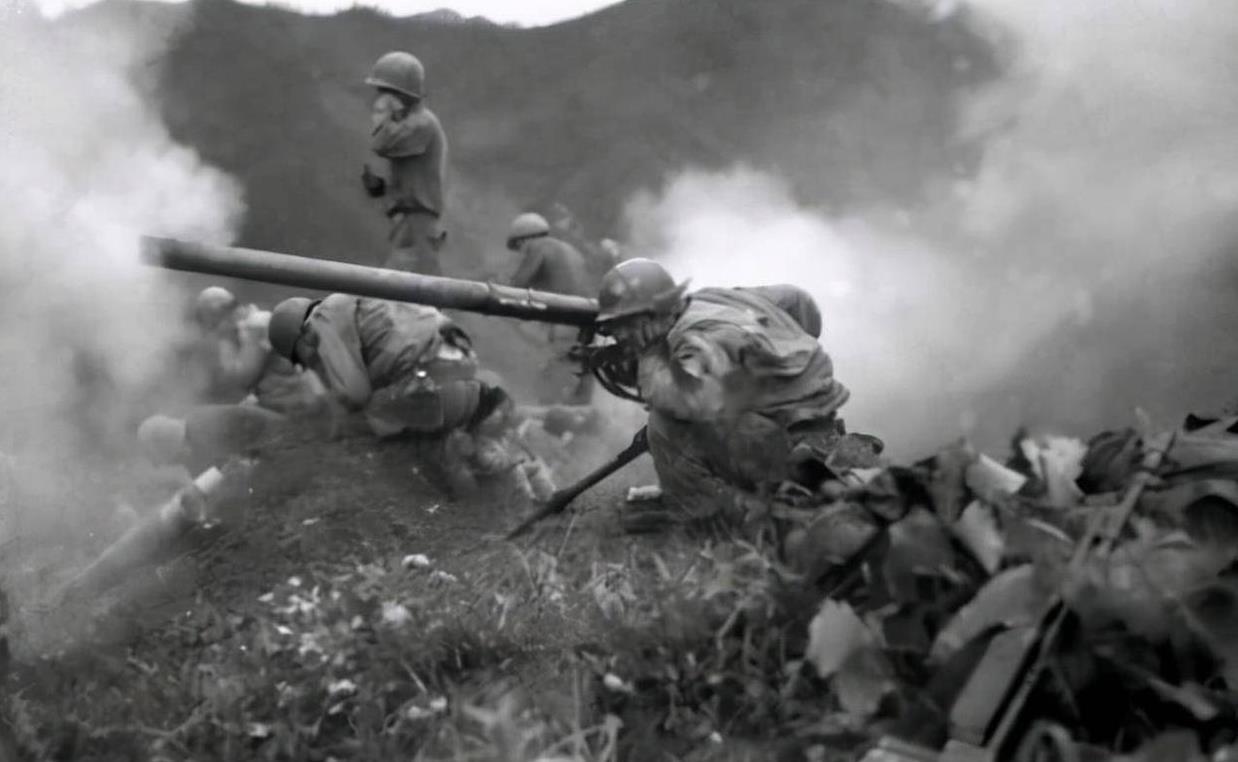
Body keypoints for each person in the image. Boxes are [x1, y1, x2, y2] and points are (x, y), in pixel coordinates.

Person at [591, 258, 883, 532]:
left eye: (622, 326)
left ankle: (716, 515)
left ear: (649, 316)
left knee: (664, 424)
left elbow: (687, 402)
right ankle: (820, 472)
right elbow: (798, 301)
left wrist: (649, 358)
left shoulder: (695, 338)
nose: (619, 336)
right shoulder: (715, 299)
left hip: (783, 437)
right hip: (817, 422)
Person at [266, 293, 505, 439]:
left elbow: (355, 392)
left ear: (301, 336)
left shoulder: (320, 321)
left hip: (433, 373)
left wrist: (332, 417)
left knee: (363, 422)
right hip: (459, 357)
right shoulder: (353, 300)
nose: (309, 364)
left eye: (301, 357)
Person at [361, 51, 449, 275]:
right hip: (408, 224)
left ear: (401, 94)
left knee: (404, 289)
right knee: (407, 289)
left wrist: (386, 114)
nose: (380, 98)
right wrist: (382, 189)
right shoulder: (409, 123)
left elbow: (381, 145)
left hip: (418, 224)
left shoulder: (422, 123)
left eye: (386, 92)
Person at [188, 286, 327, 415]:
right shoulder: (242, 330)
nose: (214, 332)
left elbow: (243, 378)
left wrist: (225, 341)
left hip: (296, 400)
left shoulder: (256, 324)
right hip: (278, 400)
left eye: (213, 325)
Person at [504, 212, 595, 405]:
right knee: (580, 375)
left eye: (519, 247)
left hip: (565, 320)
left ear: (525, 239)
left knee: (551, 386)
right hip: (588, 321)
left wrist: (500, 289)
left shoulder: (539, 246)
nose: (521, 253)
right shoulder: (570, 250)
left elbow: (517, 285)